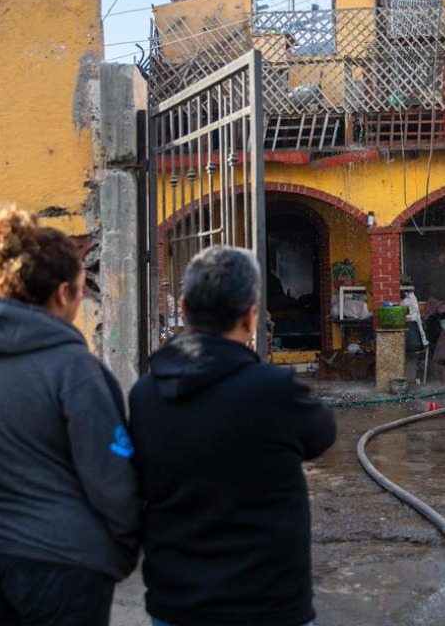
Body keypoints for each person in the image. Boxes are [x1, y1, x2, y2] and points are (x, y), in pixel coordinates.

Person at [0, 204, 139, 626]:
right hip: (63, 563)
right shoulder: (75, 369)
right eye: (82, 288)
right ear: (64, 293)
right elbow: (111, 478)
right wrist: (121, 549)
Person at [129, 245, 336, 626]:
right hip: (268, 604)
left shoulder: (144, 395)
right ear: (251, 316)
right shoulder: (275, 392)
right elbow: (322, 434)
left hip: (177, 602)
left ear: (186, 309)